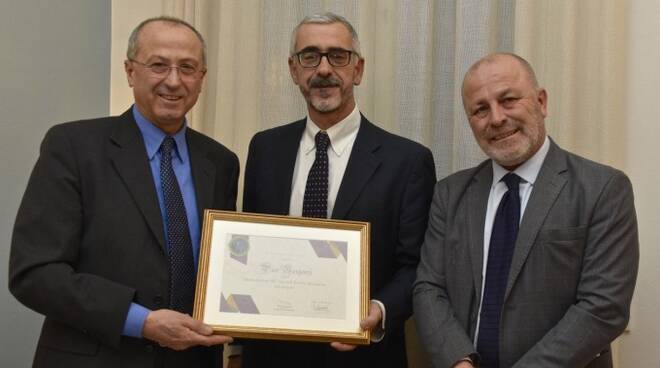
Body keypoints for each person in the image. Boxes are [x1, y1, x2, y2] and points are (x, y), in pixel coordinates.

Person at [9, 16, 238, 367]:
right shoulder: (73, 147)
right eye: (158, 65)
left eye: (188, 68)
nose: (174, 81)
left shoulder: (220, 162)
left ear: (202, 79)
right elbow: (35, 273)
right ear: (131, 71)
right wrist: (141, 322)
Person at [413, 53, 639, 368]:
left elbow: (603, 307)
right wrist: (457, 360)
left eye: (508, 100)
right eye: (480, 109)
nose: (496, 118)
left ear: (541, 102)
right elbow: (428, 287)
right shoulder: (450, 194)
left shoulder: (602, 189)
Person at [240, 12, 436, 368]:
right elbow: (251, 249)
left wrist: (378, 311)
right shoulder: (264, 149)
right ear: (293, 69)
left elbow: (416, 266)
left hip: (365, 356)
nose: (324, 69)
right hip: (272, 356)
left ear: (358, 69)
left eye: (338, 56)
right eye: (310, 56)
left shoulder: (407, 161)